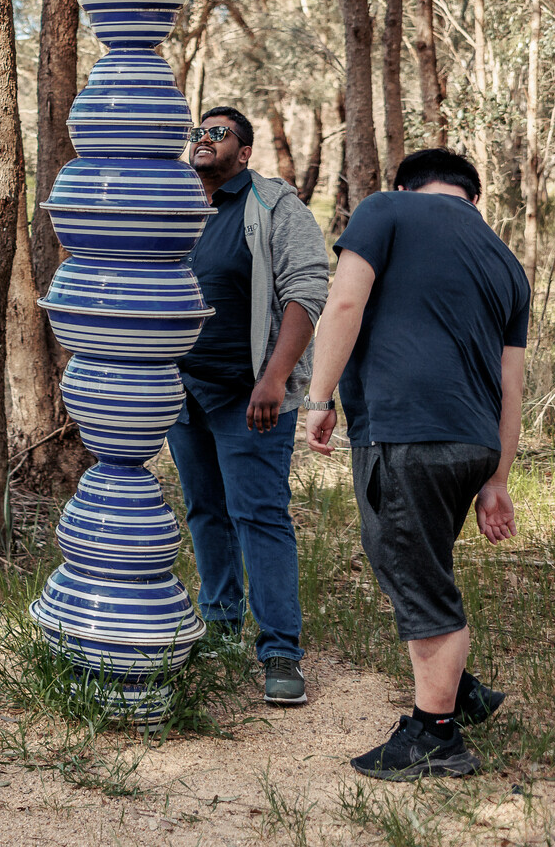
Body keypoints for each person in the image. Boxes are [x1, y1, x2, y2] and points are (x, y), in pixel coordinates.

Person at [307, 147, 525, 781]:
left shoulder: (386, 209)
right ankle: (461, 692)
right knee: (420, 559)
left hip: (407, 434)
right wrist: (497, 479)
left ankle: (436, 737)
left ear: (405, 186)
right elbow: (512, 385)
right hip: (474, 441)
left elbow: (343, 304)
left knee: (415, 576)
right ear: (473, 199)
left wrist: (319, 397)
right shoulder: (508, 263)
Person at [168, 107, 329, 705]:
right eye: (197, 133)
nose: (203, 140)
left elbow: (308, 288)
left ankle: (281, 651)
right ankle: (221, 623)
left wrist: (275, 378)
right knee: (206, 511)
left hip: (250, 396)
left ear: (244, 150)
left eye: (218, 133)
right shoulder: (179, 204)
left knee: (258, 514)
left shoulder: (272, 205)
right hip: (184, 391)